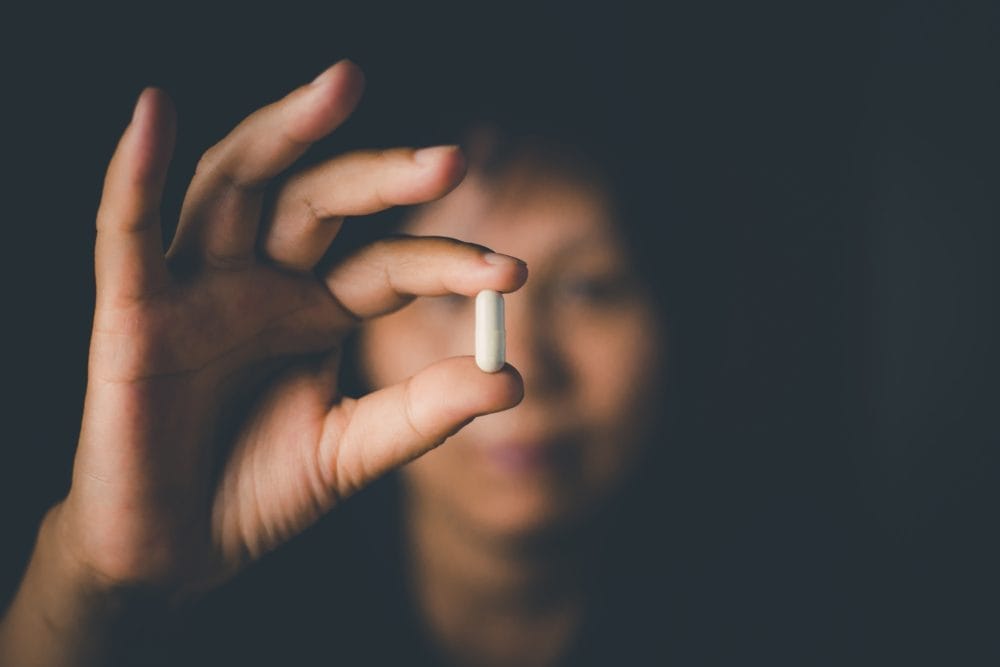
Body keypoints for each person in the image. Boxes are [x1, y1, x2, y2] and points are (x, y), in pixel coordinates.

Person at [0, 33, 691, 663]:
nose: (527, 368)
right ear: (363, 318)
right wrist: (95, 588)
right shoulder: (257, 624)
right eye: (449, 291)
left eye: (590, 289)